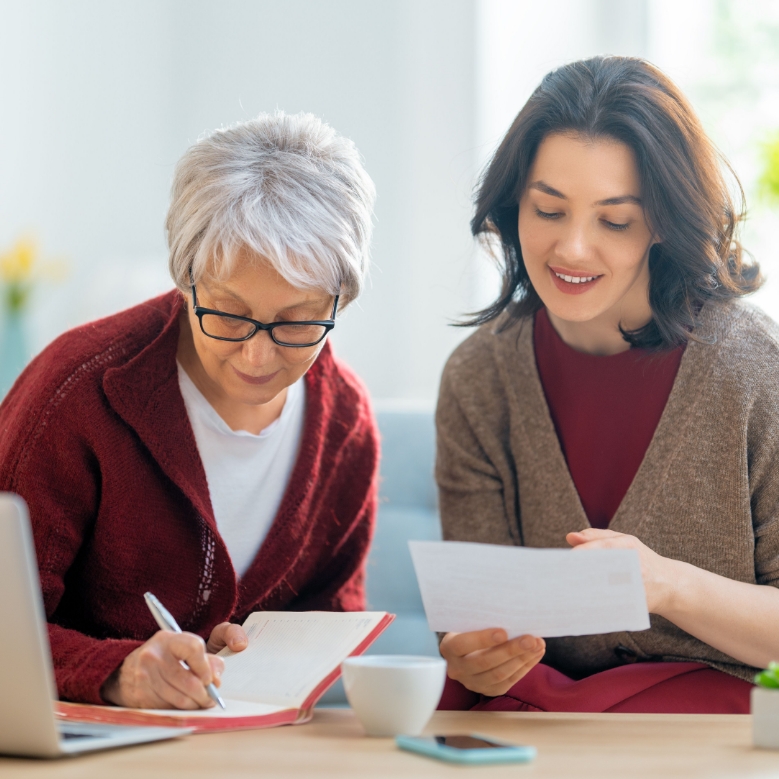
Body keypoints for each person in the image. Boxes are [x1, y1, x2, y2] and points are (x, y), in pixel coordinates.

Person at [435, 56, 779, 714]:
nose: (571, 248)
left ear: (662, 224)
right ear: (512, 208)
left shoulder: (753, 370)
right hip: (538, 726)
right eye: (547, 209)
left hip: (720, 730)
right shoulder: (480, 377)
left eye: (613, 220)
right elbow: (470, 625)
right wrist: (472, 651)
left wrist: (666, 585)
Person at [0, 112, 378, 710]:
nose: (258, 355)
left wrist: (262, 656)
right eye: (228, 313)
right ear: (186, 280)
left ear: (341, 300)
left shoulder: (345, 424)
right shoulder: (77, 390)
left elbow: (332, 622)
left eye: (298, 322)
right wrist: (117, 671)